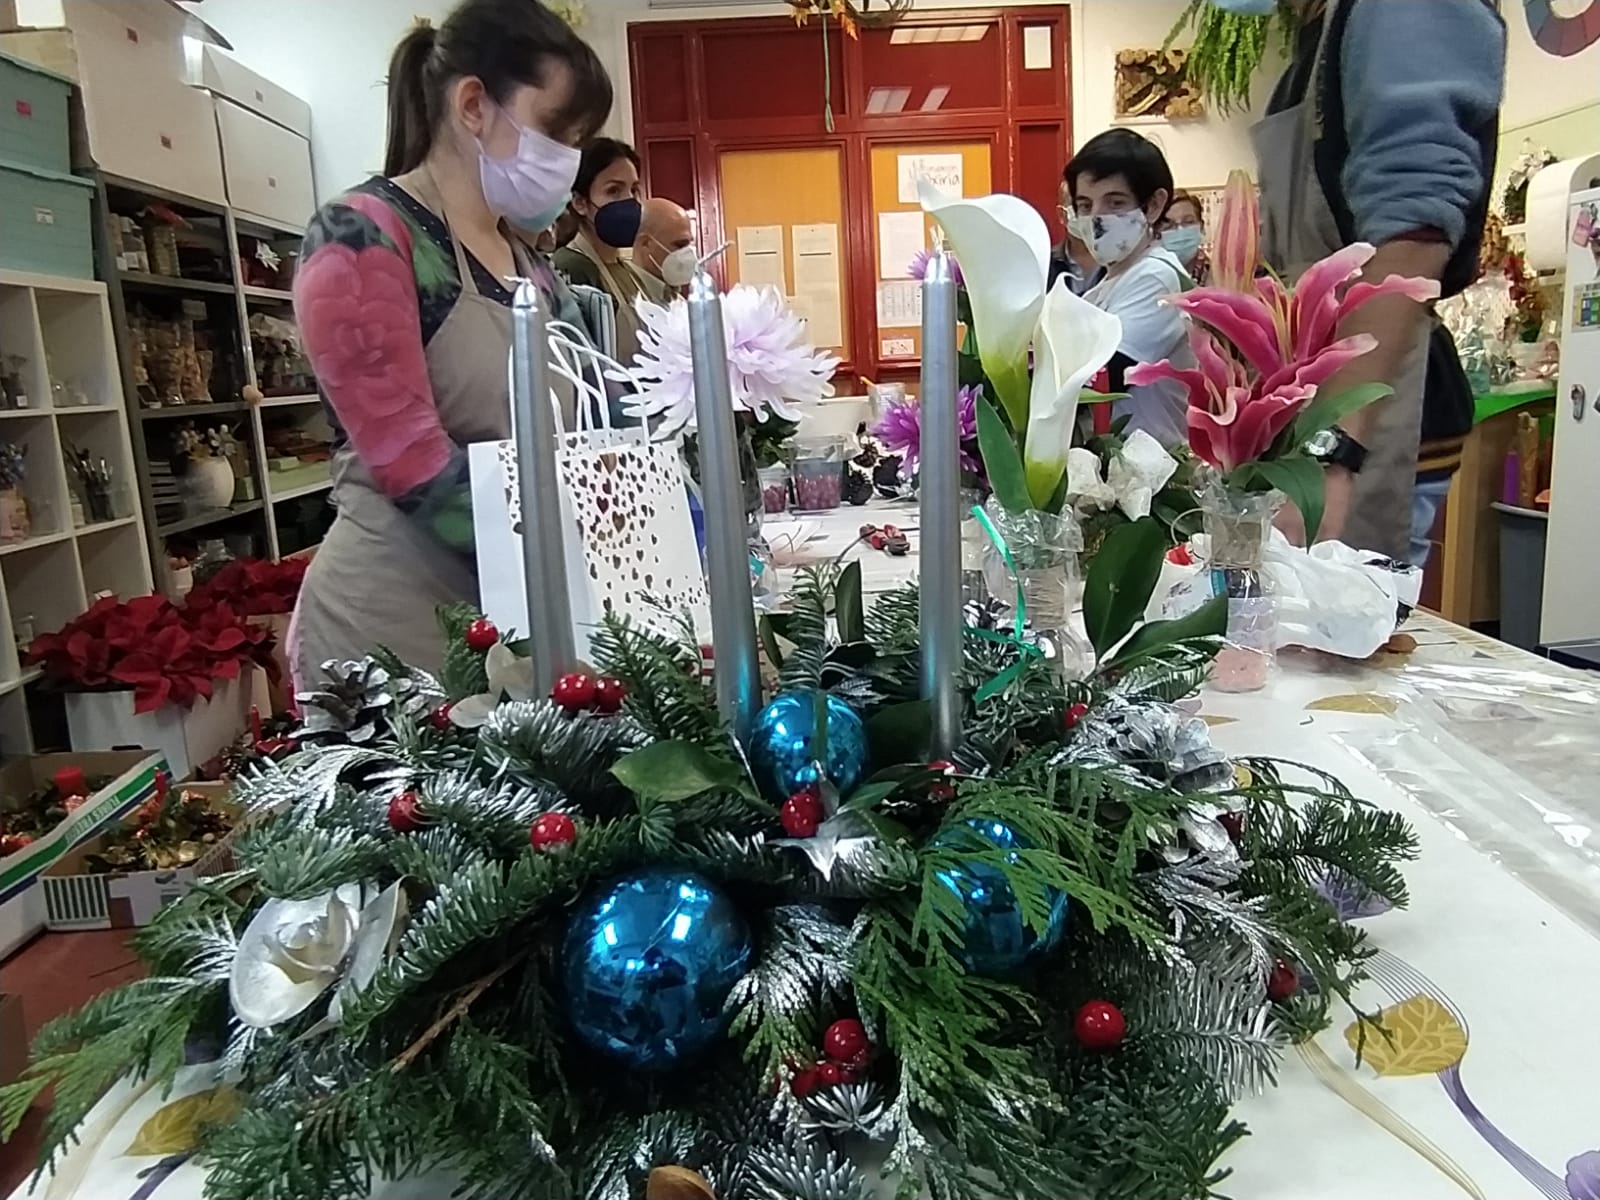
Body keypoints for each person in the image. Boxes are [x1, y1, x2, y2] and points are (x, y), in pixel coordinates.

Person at [288, 0, 611, 686]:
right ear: (473, 105)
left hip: (517, 623)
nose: (571, 161)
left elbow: (584, 430)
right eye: (560, 131)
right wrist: (575, 568)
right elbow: (411, 460)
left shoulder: (531, 267)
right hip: (395, 638)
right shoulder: (362, 237)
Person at [1224, 0, 1504, 561]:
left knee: (1348, 615)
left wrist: (1333, 450)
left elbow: (1413, 234)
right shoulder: (1316, 39)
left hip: (1370, 411)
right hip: (1310, 415)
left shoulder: (1400, 12)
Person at [1065, 129, 1193, 447]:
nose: (1096, 219)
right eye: (1084, 205)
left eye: (1114, 203)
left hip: (1155, 479)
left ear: (1153, 205)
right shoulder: (1105, 283)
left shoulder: (1157, 279)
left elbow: (1100, 378)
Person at [553, 138, 648, 361]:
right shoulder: (571, 266)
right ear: (580, 203)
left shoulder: (628, 271)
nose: (628, 201)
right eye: (614, 190)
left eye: (634, 190)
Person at [633, 196, 696, 303]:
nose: (688, 254)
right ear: (646, 244)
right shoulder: (628, 298)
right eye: (680, 245)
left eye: (689, 245)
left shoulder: (676, 298)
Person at [1050, 174, 1102, 296]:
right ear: (1062, 215)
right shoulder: (1045, 266)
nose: (1094, 214)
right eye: (1084, 206)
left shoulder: (1122, 263)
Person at [1159, 190, 1210, 286]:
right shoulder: (1152, 275)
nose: (1180, 230)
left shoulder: (1218, 274)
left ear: (1201, 227)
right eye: (1169, 225)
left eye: (1188, 222)